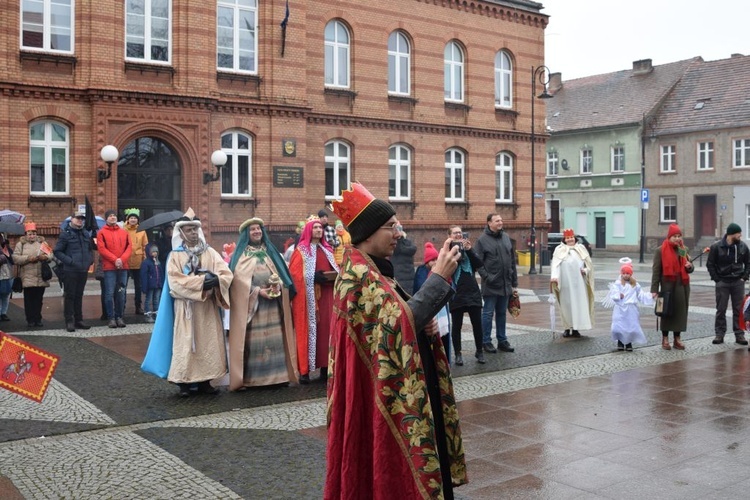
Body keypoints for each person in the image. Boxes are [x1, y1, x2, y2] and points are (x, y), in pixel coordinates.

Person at [326, 182, 467, 499]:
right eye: (391, 227)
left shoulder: (374, 270)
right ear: (369, 232)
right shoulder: (358, 277)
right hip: (381, 396)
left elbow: (397, 317)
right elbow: (393, 326)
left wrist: (423, 325)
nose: (399, 234)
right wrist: (437, 279)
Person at [165, 208, 233, 397]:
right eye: (189, 230)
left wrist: (217, 280)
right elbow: (175, 282)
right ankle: (184, 382)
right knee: (186, 343)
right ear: (182, 233)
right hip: (187, 308)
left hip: (207, 307)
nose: (193, 233)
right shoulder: (175, 256)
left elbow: (226, 272)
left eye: (195, 229)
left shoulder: (210, 252)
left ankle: (206, 380)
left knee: (208, 343)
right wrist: (202, 283)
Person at [227, 218, 298, 390]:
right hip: (254, 309)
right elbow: (237, 284)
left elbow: (283, 275)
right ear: (247, 234)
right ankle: (255, 379)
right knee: (254, 341)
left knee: (276, 339)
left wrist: (278, 286)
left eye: (259, 229)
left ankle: (278, 377)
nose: (257, 232)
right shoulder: (242, 256)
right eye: (253, 230)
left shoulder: (270, 253)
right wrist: (258, 292)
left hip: (274, 306)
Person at [289, 216, 339, 383]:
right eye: (315, 227)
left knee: (327, 333)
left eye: (320, 228)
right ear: (309, 230)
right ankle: (305, 372)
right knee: (309, 332)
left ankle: (326, 368)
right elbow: (295, 276)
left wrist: (334, 276)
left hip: (327, 298)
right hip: (309, 300)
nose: (319, 230)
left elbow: (336, 269)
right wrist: (312, 277)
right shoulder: (301, 251)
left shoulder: (327, 250)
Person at [473, 213, 517, 353]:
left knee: (502, 313)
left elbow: (512, 261)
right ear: (489, 223)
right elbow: (478, 262)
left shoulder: (505, 237)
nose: (500, 222)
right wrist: (487, 277)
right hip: (491, 284)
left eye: (501, 220)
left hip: (505, 283)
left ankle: (502, 340)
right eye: (497, 220)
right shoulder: (482, 240)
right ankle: (486, 341)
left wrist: (514, 282)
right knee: (487, 314)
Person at [651, 223, 694, 350]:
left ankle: (677, 339)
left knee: (680, 313)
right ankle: (665, 338)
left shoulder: (683, 249)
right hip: (667, 286)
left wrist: (689, 267)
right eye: (674, 236)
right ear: (669, 237)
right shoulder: (660, 250)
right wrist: (654, 290)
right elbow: (656, 271)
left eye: (679, 236)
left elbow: (689, 267)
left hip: (682, 286)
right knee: (665, 312)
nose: (677, 238)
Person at [706, 222, 750, 345]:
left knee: (739, 310)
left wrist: (744, 277)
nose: (740, 236)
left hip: (737, 281)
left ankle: (739, 334)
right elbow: (710, 264)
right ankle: (719, 334)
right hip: (722, 282)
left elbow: (748, 263)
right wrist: (717, 279)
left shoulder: (742, 247)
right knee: (721, 309)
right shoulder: (716, 247)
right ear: (731, 234)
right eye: (738, 234)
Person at [448, 225, 485, 365]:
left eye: (460, 232)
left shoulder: (469, 249)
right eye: (455, 233)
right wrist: (454, 252)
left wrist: (469, 250)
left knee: (477, 324)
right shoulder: (447, 251)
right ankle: (458, 353)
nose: (458, 235)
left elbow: (479, 264)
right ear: (450, 236)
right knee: (457, 325)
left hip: (472, 292)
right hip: (456, 293)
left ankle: (479, 351)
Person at [54, 210, 95, 332]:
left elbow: (89, 249)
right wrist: (70, 261)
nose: (80, 220)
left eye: (82, 219)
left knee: (79, 295)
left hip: (83, 269)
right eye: (77, 218)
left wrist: (90, 260)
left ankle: (79, 320)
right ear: (71, 219)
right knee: (70, 296)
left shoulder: (85, 233)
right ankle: (69, 321)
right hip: (70, 270)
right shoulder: (65, 234)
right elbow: (57, 252)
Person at [550, 228, 595, 338]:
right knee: (566, 305)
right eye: (567, 238)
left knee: (578, 305)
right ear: (564, 239)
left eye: (571, 237)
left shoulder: (581, 249)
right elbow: (555, 265)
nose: (570, 240)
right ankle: (567, 327)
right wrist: (554, 277)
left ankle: (576, 329)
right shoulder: (559, 250)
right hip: (565, 284)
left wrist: (585, 271)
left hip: (579, 284)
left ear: (574, 238)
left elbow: (588, 265)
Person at [607, 261, 652, 351]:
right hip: (620, 308)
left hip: (631, 309)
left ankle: (628, 343)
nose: (626, 275)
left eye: (628, 273)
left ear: (631, 274)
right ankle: (620, 341)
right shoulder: (618, 284)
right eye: (624, 273)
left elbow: (641, 295)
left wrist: (651, 296)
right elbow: (613, 293)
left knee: (630, 326)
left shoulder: (635, 285)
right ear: (621, 274)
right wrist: (618, 295)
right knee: (619, 326)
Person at [98, 209, 132, 328]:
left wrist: (121, 260)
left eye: (114, 215)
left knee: (121, 293)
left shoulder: (124, 232)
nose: (113, 217)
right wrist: (115, 260)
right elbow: (102, 249)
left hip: (123, 267)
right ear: (106, 219)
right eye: (110, 216)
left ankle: (119, 316)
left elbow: (129, 248)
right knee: (109, 293)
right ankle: (111, 317)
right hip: (109, 268)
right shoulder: (101, 232)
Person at [13, 222, 50, 327]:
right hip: (27, 277)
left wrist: (45, 257)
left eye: (34, 234)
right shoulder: (21, 244)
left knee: (39, 300)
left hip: (40, 277)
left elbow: (51, 255)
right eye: (30, 234)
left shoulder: (42, 243)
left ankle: (38, 319)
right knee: (29, 300)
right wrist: (28, 259)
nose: (32, 236)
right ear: (26, 234)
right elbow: (15, 258)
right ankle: (30, 319)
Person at [124, 208, 148, 315]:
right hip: (126, 260)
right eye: (131, 218)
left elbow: (145, 246)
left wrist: (145, 259)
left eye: (135, 218)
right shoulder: (123, 230)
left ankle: (138, 306)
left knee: (138, 286)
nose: (133, 220)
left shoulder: (142, 231)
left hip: (139, 261)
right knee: (123, 285)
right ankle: (122, 306)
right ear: (127, 219)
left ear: (138, 220)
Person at [140, 245, 164, 323]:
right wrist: (144, 286)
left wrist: (162, 283)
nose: (155, 253)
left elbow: (161, 274)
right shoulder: (146, 263)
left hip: (158, 284)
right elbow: (144, 276)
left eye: (156, 252)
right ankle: (148, 314)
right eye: (153, 252)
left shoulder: (158, 262)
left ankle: (156, 313)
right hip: (150, 285)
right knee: (148, 299)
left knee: (156, 299)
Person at [0, 232, 13, 321]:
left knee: (6, 294)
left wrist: (6, 250)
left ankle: (3, 313)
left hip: (6, 274)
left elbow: (12, 259)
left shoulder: (5, 247)